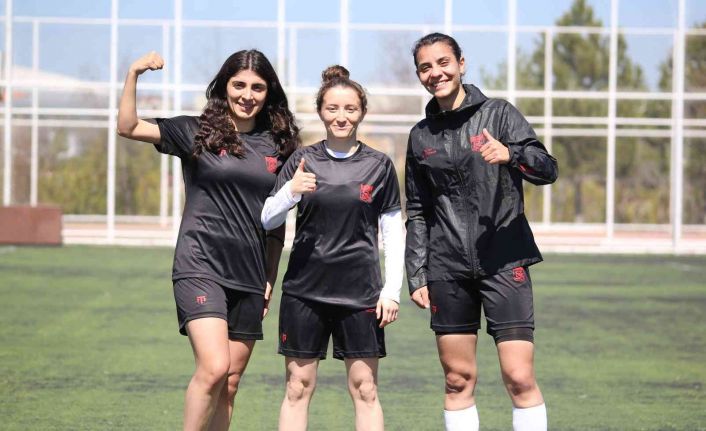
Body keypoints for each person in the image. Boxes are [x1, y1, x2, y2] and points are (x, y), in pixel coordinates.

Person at [116, 49, 299, 431]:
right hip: (200, 264)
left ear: (269, 92)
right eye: (239, 85)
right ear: (224, 87)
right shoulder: (196, 131)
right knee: (215, 367)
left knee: (229, 384)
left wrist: (269, 277)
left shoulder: (279, 146)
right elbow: (128, 126)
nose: (247, 95)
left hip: (250, 273)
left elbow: (276, 220)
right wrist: (134, 72)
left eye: (257, 87)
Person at [405, 33, 558, 431]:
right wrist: (417, 273)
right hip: (447, 269)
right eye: (425, 67)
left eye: (443, 62)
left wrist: (512, 154)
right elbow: (418, 210)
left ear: (461, 63)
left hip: (505, 261)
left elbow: (547, 169)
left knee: (519, 377)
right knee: (457, 380)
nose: (436, 73)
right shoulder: (420, 136)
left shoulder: (500, 114)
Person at [261, 65, 404, 431]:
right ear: (321, 111)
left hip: (361, 294)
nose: (342, 117)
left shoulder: (379, 165)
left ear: (362, 112)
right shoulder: (302, 161)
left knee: (365, 389)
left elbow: (393, 231)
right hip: (304, 292)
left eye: (350, 109)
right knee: (297, 387)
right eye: (333, 108)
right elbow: (267, 218)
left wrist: (391, 291)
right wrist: (291, 191)